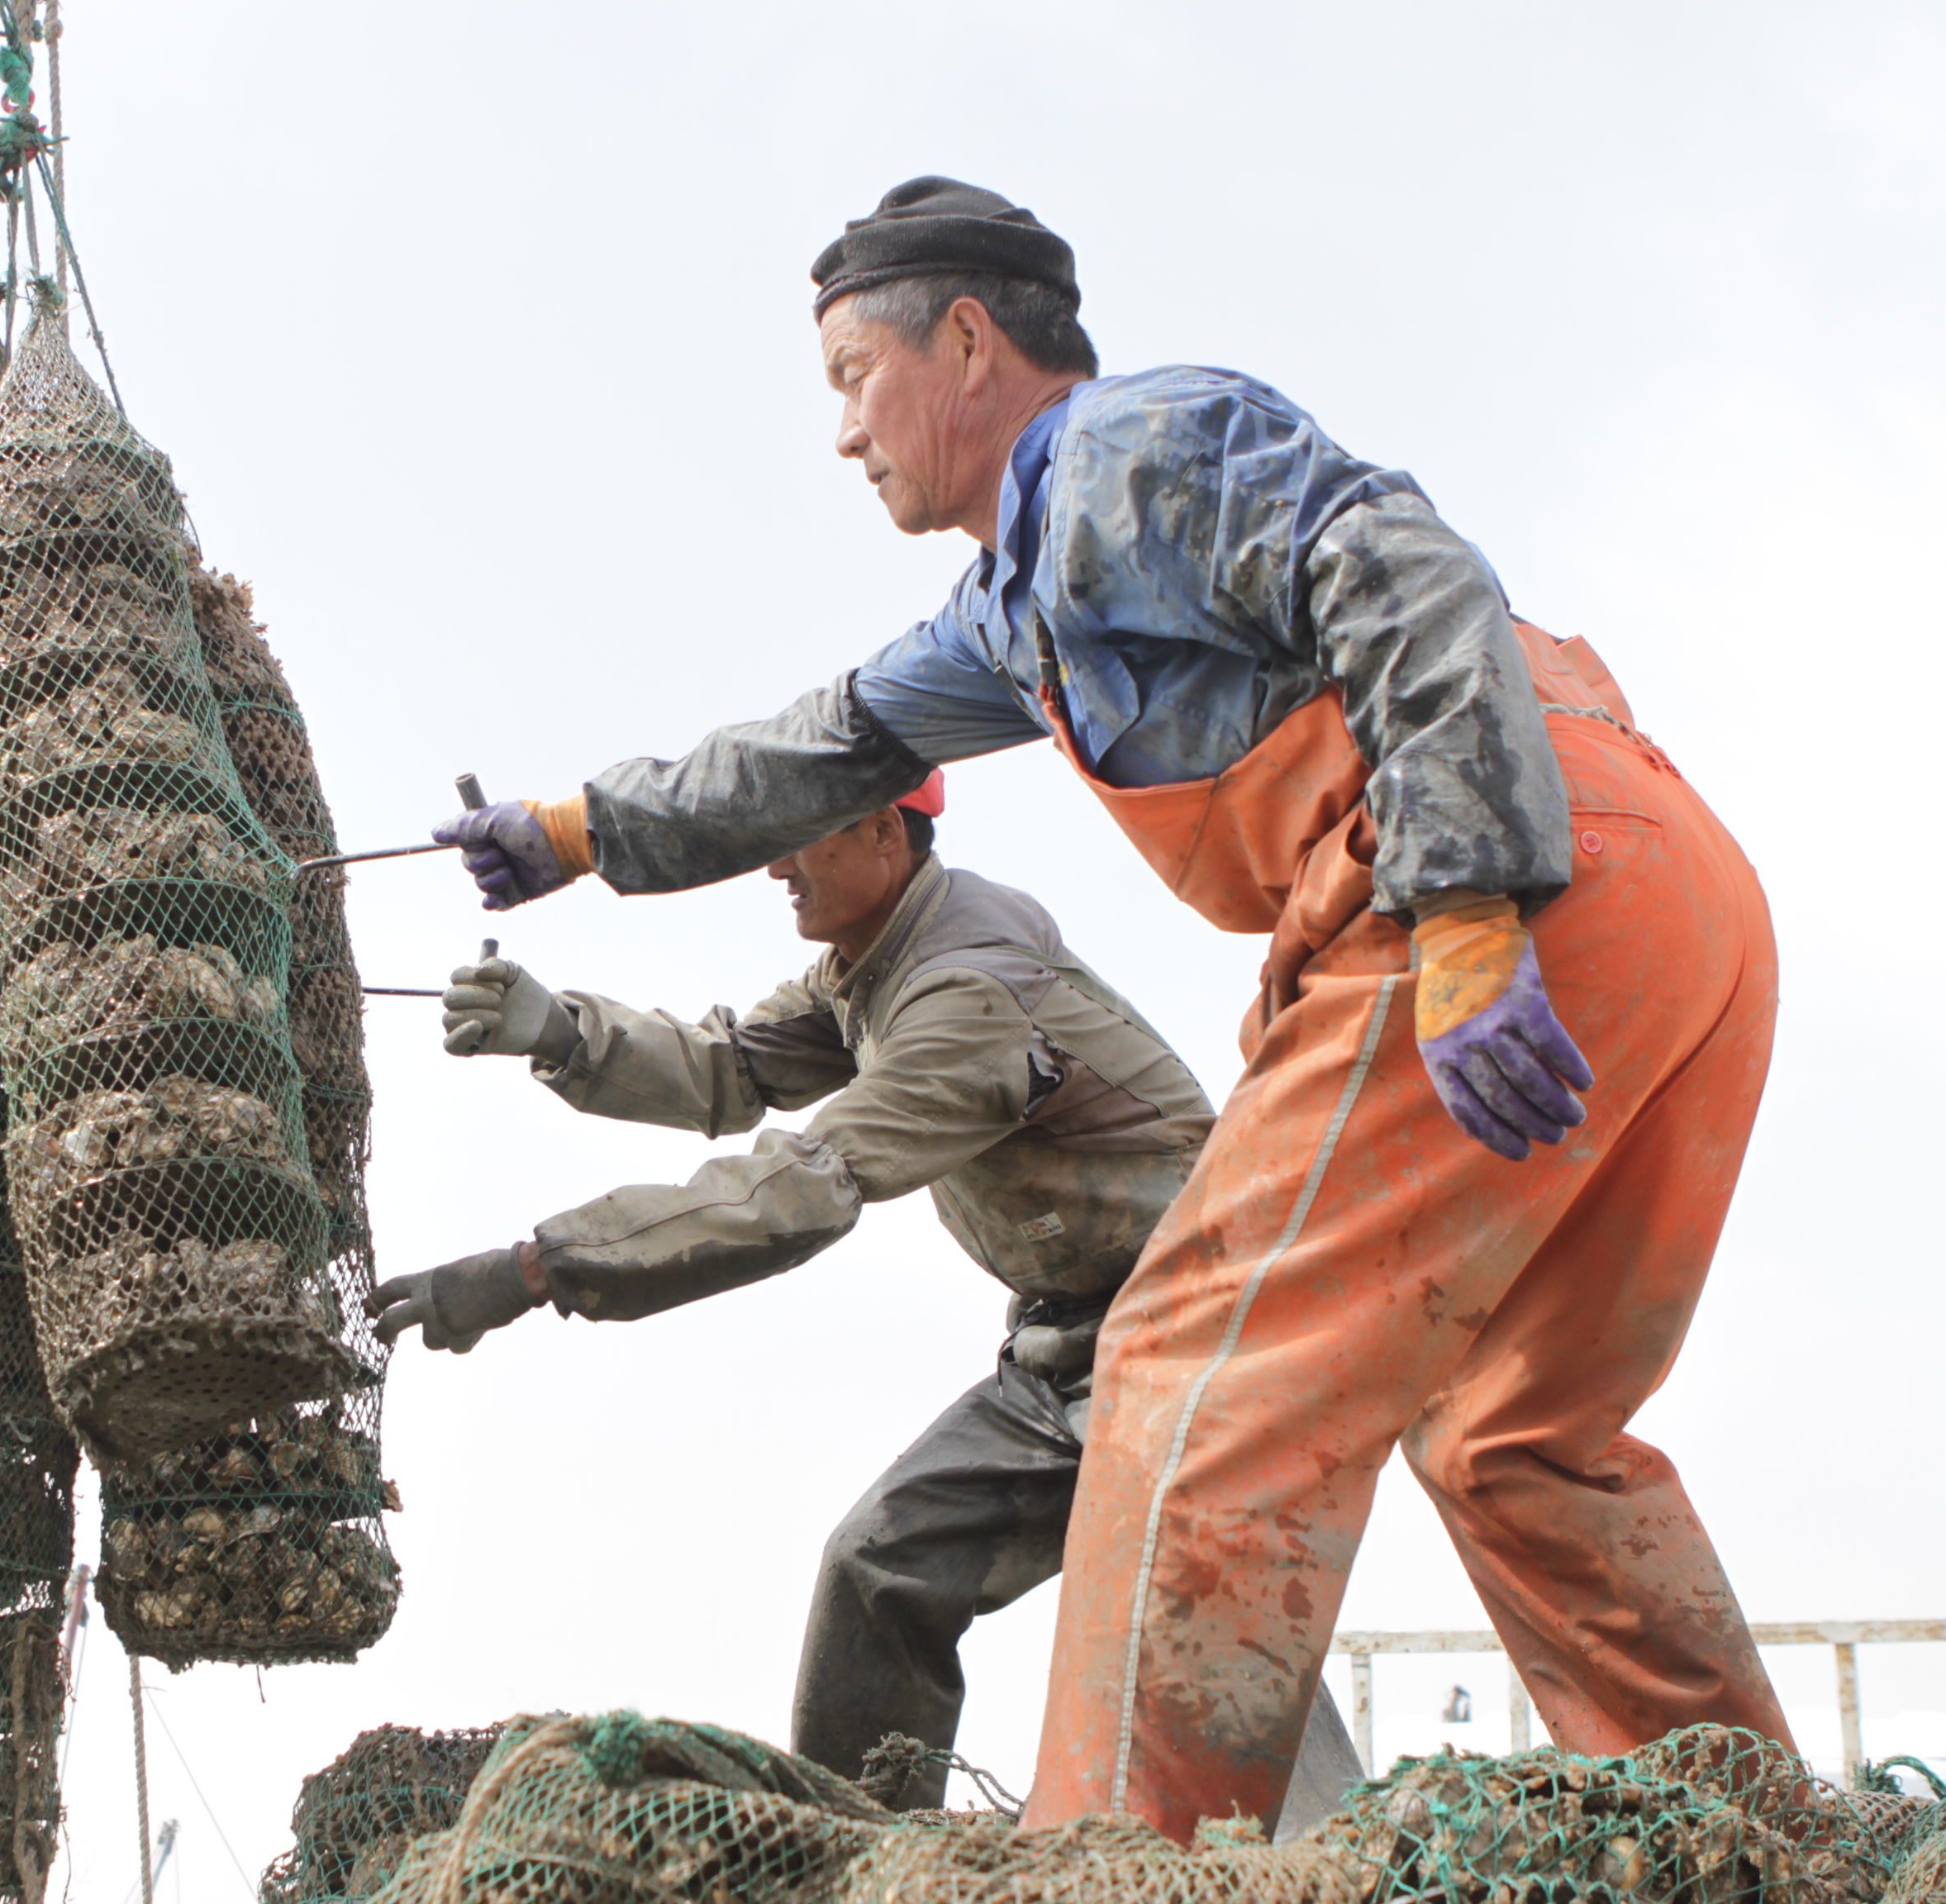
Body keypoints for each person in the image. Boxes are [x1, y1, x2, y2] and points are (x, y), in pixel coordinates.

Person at [422, 178, 1790, 1837]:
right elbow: (812, 751)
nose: (844, 436)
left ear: (970, 343)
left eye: (854, 381)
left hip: (1506, 888)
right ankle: (1750, 1843)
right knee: (1518, 1430)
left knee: (1188, 1377)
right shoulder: (1014, 619)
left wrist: (1476, 904)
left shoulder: (1132, 453)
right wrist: (574, 833)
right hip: (1670, 905)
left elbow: (1402, 568)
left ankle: (1121, 1870)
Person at [370, 774, 1363, 1820]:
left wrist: (535, 1269)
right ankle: (860, 1858)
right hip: (1070, 1350)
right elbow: (735, 1067)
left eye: (798, 841)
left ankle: (1334, 1870)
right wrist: (565, 1032)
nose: (774, 866)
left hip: (1197, 1330)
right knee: (881, 1569)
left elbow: (803, 1186)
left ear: (886, 831)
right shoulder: (870, 969)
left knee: (1192, 1595)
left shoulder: (967, 994)